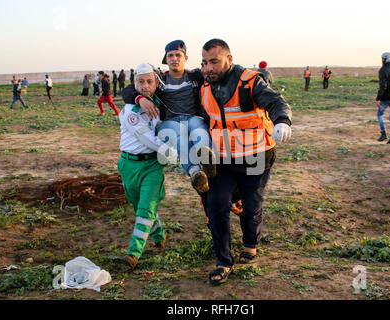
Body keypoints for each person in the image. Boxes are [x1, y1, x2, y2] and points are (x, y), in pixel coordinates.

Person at [200, 38, 292, 285]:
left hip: (257, 155)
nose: (209, 68)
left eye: (214, 62)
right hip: (224, 160)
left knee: (251, 205)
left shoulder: (249, 82)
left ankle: (250, 242)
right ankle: (223, 262)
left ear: (229, 59)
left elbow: (275, 101)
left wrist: (282, 120)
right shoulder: (204, 84)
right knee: (217, 204)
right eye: (205, 63)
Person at [123, 40, 215, 194]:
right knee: (179, 138)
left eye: (178, 55)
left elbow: (219, 75)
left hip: (192, 117)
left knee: (199, 129)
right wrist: (140, 99)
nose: (174, 59)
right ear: (166, 59)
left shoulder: (195, 76)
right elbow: (128, 89)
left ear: (185, 58)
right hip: (170, 121)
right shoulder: (160, 80)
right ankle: (195, 173)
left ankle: (208, 161)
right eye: (170, 55)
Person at [118, 62, 177, 270]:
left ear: (156, 83)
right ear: (135, 84)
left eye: (149, 81)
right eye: (141, 82)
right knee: (139, 206)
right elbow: (145, 138)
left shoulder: (159, 103)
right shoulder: (129, 110)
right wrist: (170, 152)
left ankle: (133, 254)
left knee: (146, 208)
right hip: (128, 165)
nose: (145, 86)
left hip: (151, 165)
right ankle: (159, 234)